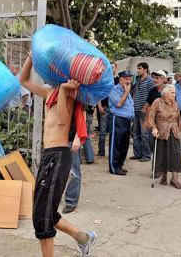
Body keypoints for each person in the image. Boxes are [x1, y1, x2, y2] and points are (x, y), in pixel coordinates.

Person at [20, 53, 97, 257]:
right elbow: (23, 80)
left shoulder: (68, 95)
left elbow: (63, 121)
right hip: (48, 156)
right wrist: (30, 58)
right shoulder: (49, 93)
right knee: (43, 209)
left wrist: (64, 90)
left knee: (42, 216)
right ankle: (84, 238)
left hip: (59, 155)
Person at [148, 85, 181, 189]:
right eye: (172, 93)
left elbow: (178, 118)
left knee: (175, 154)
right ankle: (164, 177)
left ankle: (174, 179)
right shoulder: (157, 102)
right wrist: (154, 128)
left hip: (174, 131)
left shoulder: (175, 103)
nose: (174, 94)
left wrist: (180, 129)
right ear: (165, 94)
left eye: (174, 93)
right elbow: (151, 116)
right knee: (162, 153)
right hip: (162, 131)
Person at [108, 70, 134, 176]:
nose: (128, 81)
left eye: (129, 79)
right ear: (120, 79)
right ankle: (113, 167)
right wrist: (127, 92)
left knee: (124, 144)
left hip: (127, 120)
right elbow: (118, 104)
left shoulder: (126, 89)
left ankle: (119, 165)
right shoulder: (114, 89)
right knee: (116, 144)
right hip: (118, 119)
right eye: (126, 79)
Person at [130, 62, 154, 162]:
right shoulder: (138, 80)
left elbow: (152, 95)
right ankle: (137, 154)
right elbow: (134, 92)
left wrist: (146, 107)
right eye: (137, 68)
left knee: (145, 134)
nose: (138, 70)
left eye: (139, 68)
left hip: (144, 111)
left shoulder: (150, 80)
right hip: (135, 109)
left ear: (145, 69)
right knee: (135, 133)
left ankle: (147, 155)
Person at [63, 109, 85, 214]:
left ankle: (71, 201)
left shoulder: (78, 96)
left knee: (74, 172)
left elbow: (82, 116)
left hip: (72, 139)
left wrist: (78, 137)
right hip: (60, 138)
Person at [97, 62, 118, 157]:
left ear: (116, 69)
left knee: (113, 132)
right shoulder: (103, 79)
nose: (111, 69)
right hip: (104, 108)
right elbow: (99, 93)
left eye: (113, 67)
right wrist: (99, 106)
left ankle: (112, 152)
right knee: (102, 132)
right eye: (109, 67)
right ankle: (101, 151)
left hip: (114, 109)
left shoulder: (118, 80)